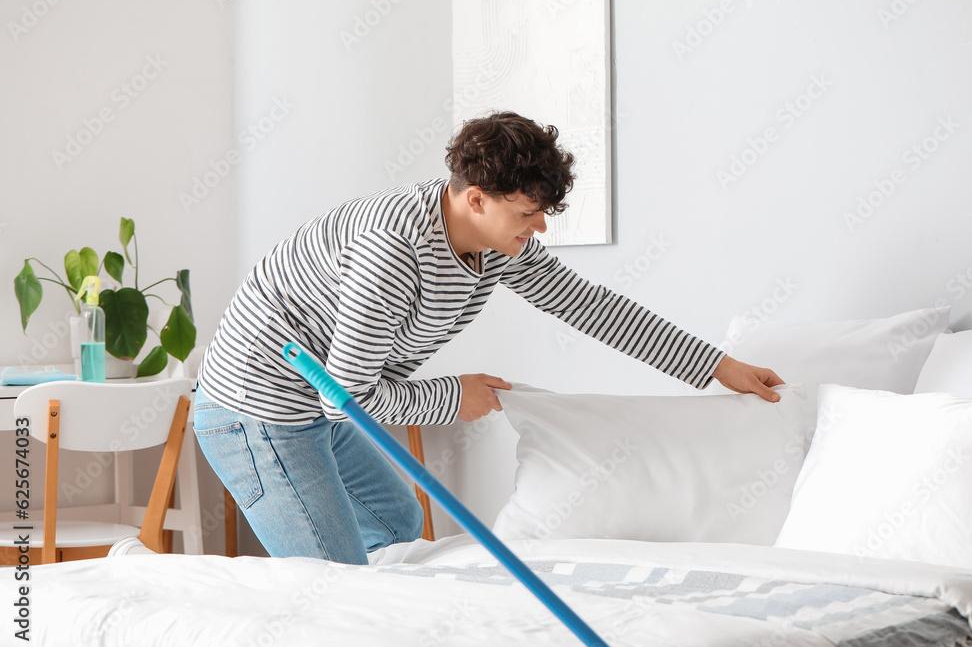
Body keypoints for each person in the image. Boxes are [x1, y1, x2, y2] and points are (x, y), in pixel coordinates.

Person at [193, 110, 784, 564]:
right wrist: (455, 396)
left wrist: (717, 365)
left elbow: (593, 308)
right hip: (257, 411)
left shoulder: (500, 246)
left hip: (320, 403)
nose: (541, 226)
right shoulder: (392, 251)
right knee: (332, 578)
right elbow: (347, 397)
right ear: (474, 198)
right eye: (528, 212)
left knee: (393, 523)